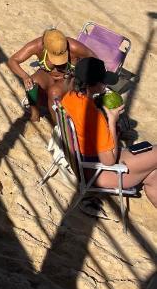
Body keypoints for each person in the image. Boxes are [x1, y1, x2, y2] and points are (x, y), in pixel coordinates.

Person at [62, 58, 157, 208]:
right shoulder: (93, 115)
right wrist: (112, 120)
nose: (106, 85)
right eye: (103, 81)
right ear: (94, 84)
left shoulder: (70, 97)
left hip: (84, 164)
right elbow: (109, 161)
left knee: (153, 176)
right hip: (99, 173)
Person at [7, 29, 95, 122]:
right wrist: (25, 76)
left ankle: (58, 126)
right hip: (48, 75)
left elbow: (96, 62)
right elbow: (13, 60)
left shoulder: (74, 47)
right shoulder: (37, 46)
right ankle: (35, 115)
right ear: (45, 46)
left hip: (69, 78)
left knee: (54, 92)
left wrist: (75, 73)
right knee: (32, 82)